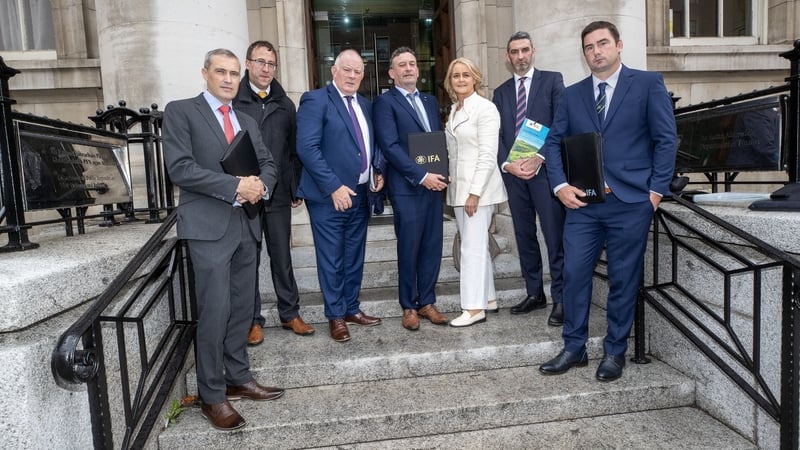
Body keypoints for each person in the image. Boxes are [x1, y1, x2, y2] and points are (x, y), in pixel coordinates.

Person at [538, 21, 677, 381]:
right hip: (583, 203)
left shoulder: (647, 84)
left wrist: (655, 192)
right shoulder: (572, 94)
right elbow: (553, 143)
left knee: (623, 278)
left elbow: (666, 140)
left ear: (618, 45)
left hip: (631, 202)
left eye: (602, 44)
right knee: (573, 273)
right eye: (589, 47)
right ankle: (574, 347)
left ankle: (615, 351)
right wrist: (560, 186)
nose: (596, 51)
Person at [162, 48, 284, 431]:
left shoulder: (246, 118)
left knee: (242, 306)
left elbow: (268, 163)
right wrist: (235, 185)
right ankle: (211, 395)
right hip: (209, 227)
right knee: (214, 312)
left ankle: (238, 377)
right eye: (221, 72)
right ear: (205, 73)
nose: (229, 79)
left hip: (246, 225)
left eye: (234, 73)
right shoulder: (182, 112)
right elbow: (180, 168)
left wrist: (260, 185)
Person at [295, 48, 385, 342]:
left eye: (358, 71)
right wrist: (333, 186)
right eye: (347, 69)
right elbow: (307, 148)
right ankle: (335, 315)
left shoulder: (365, 104)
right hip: (328, 196)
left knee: (353, 256)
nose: (352, 76)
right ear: (333, 70)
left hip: (360, 194)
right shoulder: (315, 100)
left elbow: (372, 145)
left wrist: (377, 170)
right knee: (332, 258)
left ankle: (351, 308)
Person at [234, 40, 314, 343]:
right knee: (248, 259)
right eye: (261, 62)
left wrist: (295, 188)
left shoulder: (285, 104)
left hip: (278, 193)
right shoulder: (235, 102)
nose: (266, 69)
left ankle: (290, 313)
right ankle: (253, 320)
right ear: (248, 64)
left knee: (282, 257)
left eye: (271, 64)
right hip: (245, 196)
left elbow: (294, 152)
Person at [373, 47, 450, 331]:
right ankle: (408, 306)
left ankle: (427, 302)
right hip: (407, 187)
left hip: (433, 186)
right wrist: (421, 176)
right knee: (409, 246)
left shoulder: (430, 101)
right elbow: (390, 146)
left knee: (432, 245)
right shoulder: (385, 102)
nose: (408, 69)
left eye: (412, 64)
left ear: (418, 70)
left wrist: (441, 173)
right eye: (401, 65)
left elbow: (434, 142)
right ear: (392, 73)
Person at [492, 31, 566, 324]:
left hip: (545, 173)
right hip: (515, 177)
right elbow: (496, 138)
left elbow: (562, 123)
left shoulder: (552, 81)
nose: (520, 57)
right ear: (508, 57)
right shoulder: (500, 93)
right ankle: (535, 293)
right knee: (524, 236)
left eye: (524, 50)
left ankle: (561, 298)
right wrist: (508, 165)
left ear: (533, 51)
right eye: (514, 52)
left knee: (554, 236)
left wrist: (540, 157)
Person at [443, 57, 508, 327]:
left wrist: (475, 193)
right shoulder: (455, 110)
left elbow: (487, 154)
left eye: (465, 75)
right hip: (458, 188)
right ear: (450, 80)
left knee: (471, 248)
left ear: (476, 79)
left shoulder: (486, 108)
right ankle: (489, 299)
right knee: (476, 243)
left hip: (476, 191)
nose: (460, 79)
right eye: (456, 75)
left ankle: (472, 308)